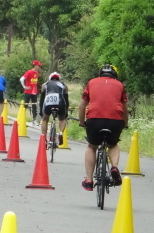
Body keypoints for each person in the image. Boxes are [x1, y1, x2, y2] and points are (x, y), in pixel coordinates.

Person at [78, 64, 128, 192]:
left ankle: (89, 180)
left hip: (94, 119)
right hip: (115, 121)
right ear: (115, 75)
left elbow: (82, 105)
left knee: (91, 146)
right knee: (113, 145)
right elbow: (124, 108)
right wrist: (125, 123)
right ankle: (114, 167)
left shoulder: (91, 82)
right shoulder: (120, 85)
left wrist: (82, 122)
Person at [39, 72, 70, 144]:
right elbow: (66, 100)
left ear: (50, 78)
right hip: (60, 102)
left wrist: (41, 111)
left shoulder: (45, 85)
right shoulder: (64, 85)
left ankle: (44, 138)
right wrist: (66, 112)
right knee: (62, 119)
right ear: (59, 79)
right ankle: (61, 132)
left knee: (45, 119)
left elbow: (42, 100)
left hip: (48, 102)